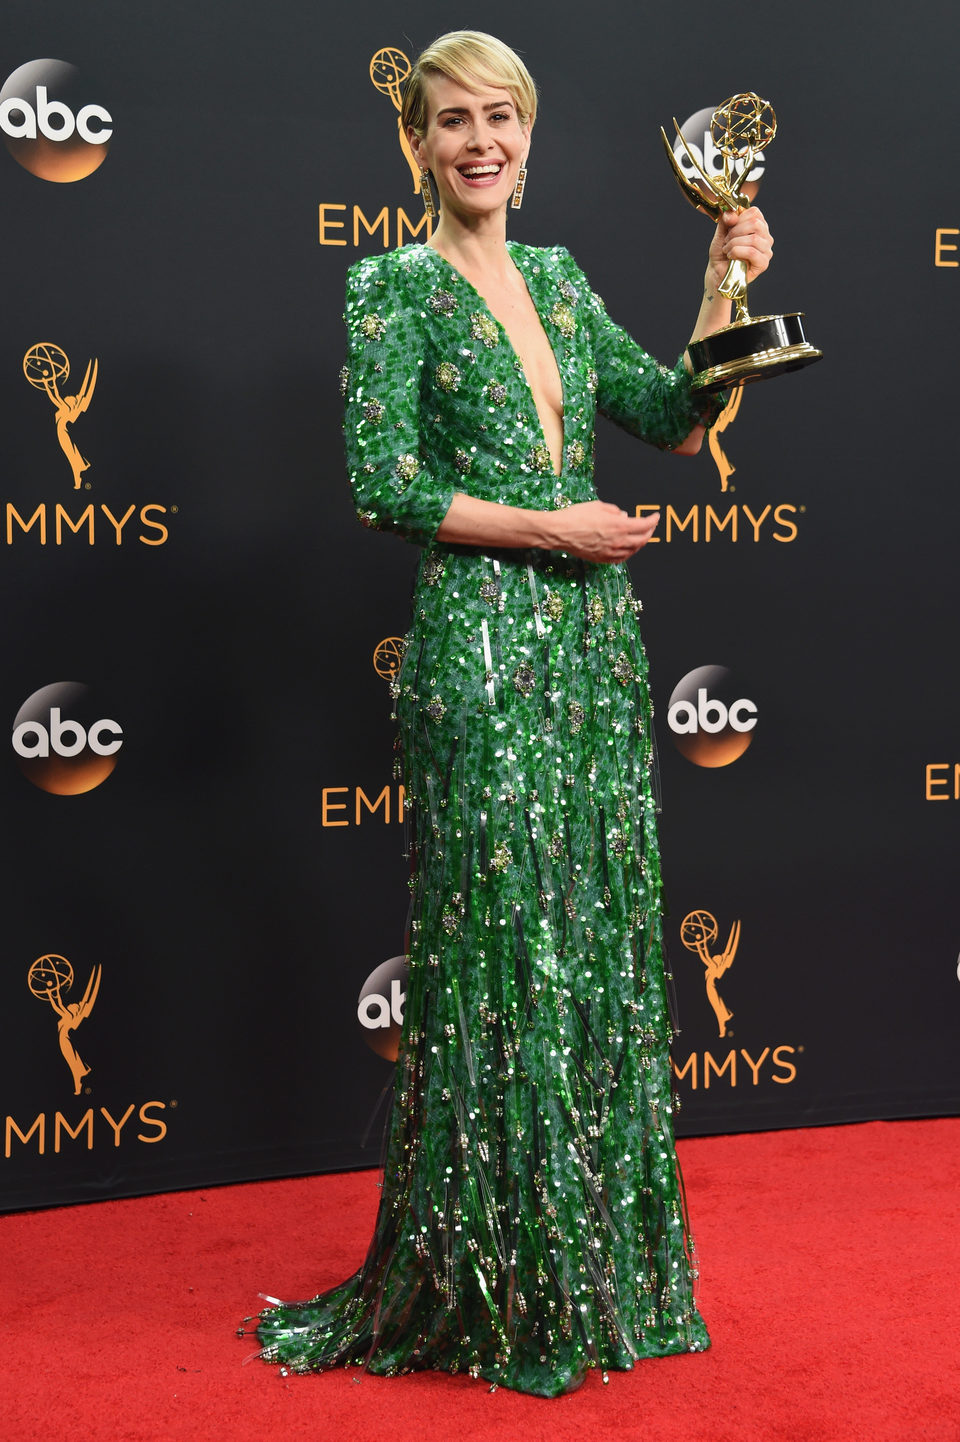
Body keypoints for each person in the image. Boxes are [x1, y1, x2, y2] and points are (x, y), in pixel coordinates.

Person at [249, 30, 772, 1397]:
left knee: (588, 948)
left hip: (597, 652)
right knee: (500, 954)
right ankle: (483, 1276)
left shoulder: (555, 274)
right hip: (482, 648)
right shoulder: (391, 287)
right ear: (414, 143)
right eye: (450, 121)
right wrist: (552, 527)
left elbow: (669, 410)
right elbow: (383, 482)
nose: (479, 141)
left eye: (501, 118)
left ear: (530, 136)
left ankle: (592, 1270)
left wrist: (725, 279)